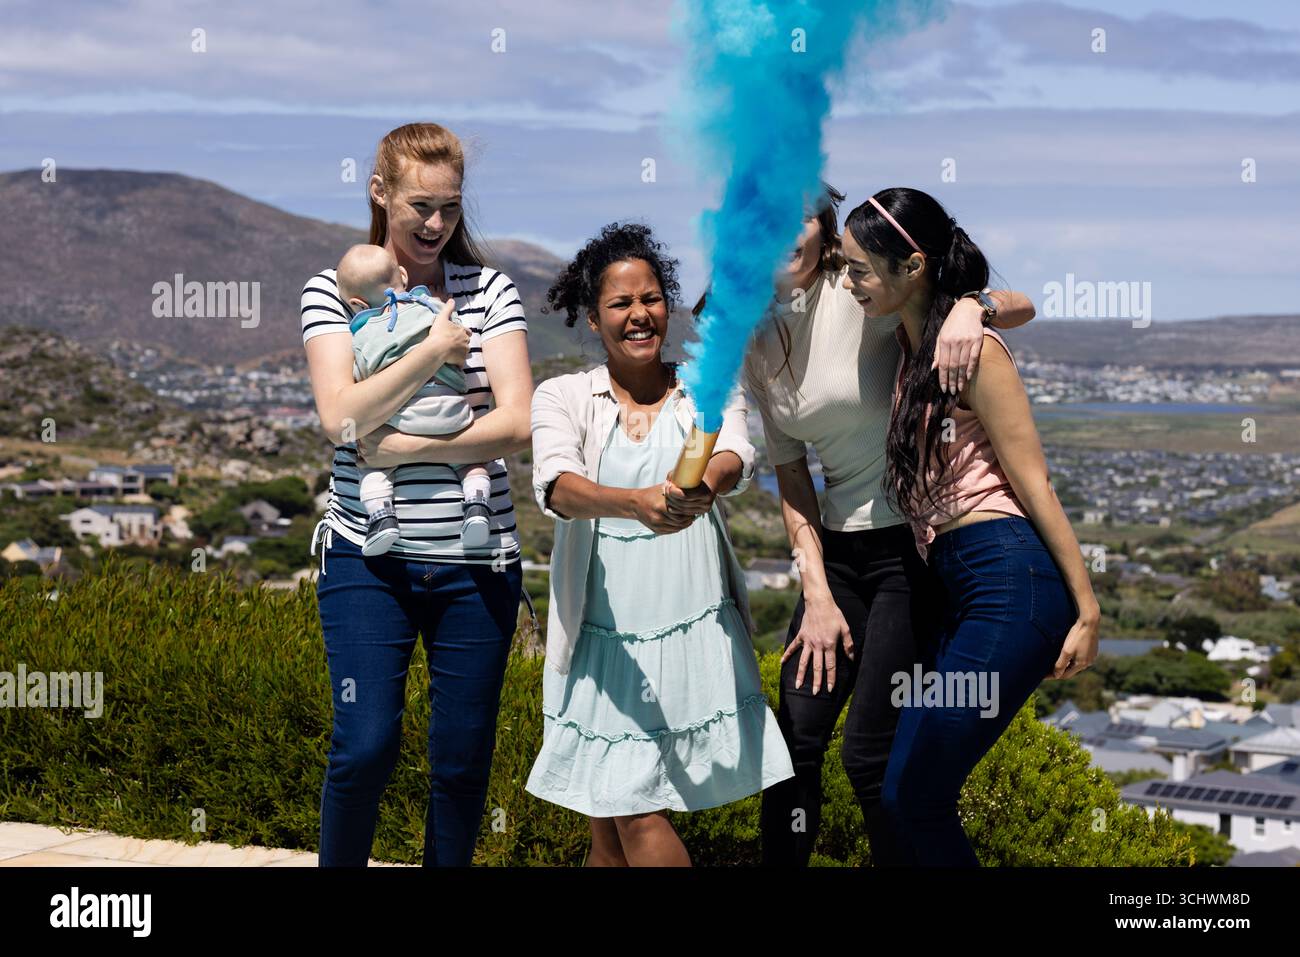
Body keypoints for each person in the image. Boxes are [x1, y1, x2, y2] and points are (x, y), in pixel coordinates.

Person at [738, 185, 1038, 866]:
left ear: (821, 228)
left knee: (870, 755)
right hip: (837, 555)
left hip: (909, 547)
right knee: (794, 743)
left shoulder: (859, 286)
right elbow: (791, 475)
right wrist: (814, 593)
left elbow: (1020, 304)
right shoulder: (754, 338)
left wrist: (972, 304)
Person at [840, 187, 1099, 866]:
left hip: (1007, 577)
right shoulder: (915, 343)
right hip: (957, 584)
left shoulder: (974, 353)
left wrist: (1088, 608)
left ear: (912, 266)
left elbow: (1034, 481)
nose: (849, 282)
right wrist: (970, 303)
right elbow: (1020, 302)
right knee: (900, 788)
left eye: (860, 269)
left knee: (915, 791)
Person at [299, 122, 533, 866]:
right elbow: (339, 416)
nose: (436, 225)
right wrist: (434, 349)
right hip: (368, 557)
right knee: (364, 744)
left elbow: (517, 422)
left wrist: (403, 448)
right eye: (420, 206)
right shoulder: (332, 291)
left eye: (451, 208)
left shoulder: (489, 289)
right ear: (380, 193)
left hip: (479, 560)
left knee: (462, 763)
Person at [525, 222, 794, 866]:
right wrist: (635, 506)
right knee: (613, 818)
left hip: (686, 625)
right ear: (593, 318)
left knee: (628, 812)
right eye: (620, 304)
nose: (639, 315)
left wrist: (701, 488)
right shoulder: (562, 395)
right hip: (599, 637)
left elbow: (733, 453)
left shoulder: (708, 380)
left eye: (650, 299)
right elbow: (556, 486)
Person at [337, 242, 493, 554]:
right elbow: (458, 339)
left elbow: (360, 378)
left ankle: (382, 517)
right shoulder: (431, 306)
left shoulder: (362, 333)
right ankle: (476, 505)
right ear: (403, 277)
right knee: (471, 463)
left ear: (355, 302)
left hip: (402, 420)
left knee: (373, 467)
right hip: (452, 413)